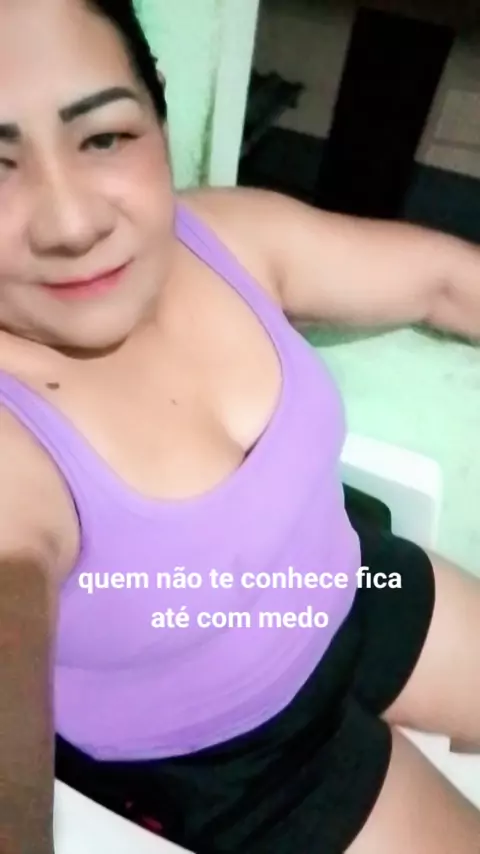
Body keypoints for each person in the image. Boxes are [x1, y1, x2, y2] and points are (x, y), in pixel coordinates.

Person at [0, 1, 479, 852]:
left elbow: (442, 282)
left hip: (350, 583)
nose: (72, 225)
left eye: (104, 136)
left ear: (157, 111)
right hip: (241, 763)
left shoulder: (225, 236)